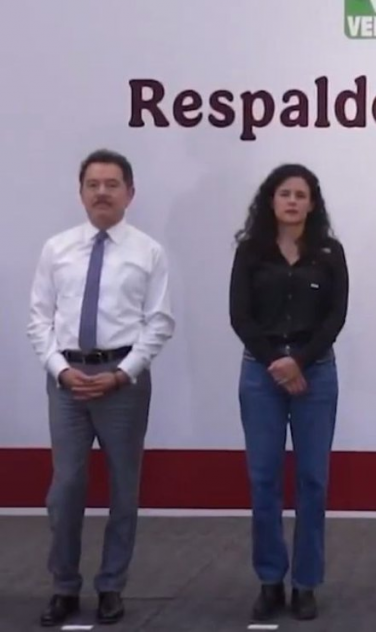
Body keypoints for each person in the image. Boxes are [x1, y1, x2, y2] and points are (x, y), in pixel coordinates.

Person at [26, 149, 175, 627]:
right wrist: (59, 369)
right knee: (66, 487)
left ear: (130, 193)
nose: (102, 193)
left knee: (123, 489)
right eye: (93, 185)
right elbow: (39, 319)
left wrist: (122, 373)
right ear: (81, 193)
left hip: (123, 381)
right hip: (66, 380)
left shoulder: (148, 252)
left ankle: (111, 586)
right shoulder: (56, 249)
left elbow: (159, 322)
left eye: (112, 185)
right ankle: (64, 587)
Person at [229, 163, 349, 622]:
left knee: (313, 481)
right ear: (271, 201)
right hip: (261, 374)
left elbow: (335, 316)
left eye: (301, 195)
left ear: (312, 204)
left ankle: (305, 583)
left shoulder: (329, 252)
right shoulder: (251, 251)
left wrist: (299, 361)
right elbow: (240, 316)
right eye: (285, 194)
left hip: (315, 372)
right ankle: (269, 580)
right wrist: (275, 363)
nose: (293, 202)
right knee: (264, 479)